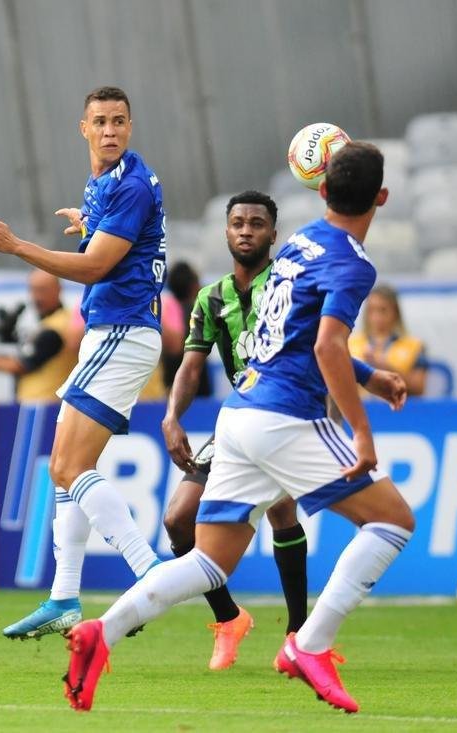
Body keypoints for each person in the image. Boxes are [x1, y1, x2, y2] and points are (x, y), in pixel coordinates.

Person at [62, 142, 415, 715]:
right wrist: (363, 431)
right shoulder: (353, 262)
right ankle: (310, 644)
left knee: (207, 562)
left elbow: (287, 336)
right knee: (392, 522)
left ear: (321, 190)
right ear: (382, 198)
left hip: (239, 415)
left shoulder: (298, 245)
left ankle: (103, 632)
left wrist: (369, 376)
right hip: (284, 417)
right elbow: (325, 343)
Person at [161, 190, 406, 671]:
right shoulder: (212, 299)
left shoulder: (291, 277)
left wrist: (354, 394)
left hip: (292, 413)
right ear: (226, 231)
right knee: (177, 519)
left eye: (256, 223)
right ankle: (229, 617)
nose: (246, 230)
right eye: (237, 223)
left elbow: (327, 344)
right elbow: (191, 367)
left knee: (281, 512)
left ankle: (297, 632)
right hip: (242, 414)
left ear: (274, 235)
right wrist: (172, 416)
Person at [0, 86, 168, 639]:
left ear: (131, 126)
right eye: (101, 122)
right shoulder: (106, 183)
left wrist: (17, 247)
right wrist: (89, 224)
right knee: (64, 471)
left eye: (120, 121)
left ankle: (150, 573)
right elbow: (113, 245)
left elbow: (93, 268)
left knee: (65, 467)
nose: (110, 130)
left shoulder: (129, 184)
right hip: (113, 332)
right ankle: (63, 597)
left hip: (122, 331)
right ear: (83, 128)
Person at [0, 269, 79, 402]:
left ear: (58, 289)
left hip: (43, 404)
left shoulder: (56, 327)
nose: (37, 297)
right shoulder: (51, 322)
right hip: (40, 403)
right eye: (33, 290)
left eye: (42, 290)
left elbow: (21, 365)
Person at [349, 283, 428, 396]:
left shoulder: (414, 345)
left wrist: (384, 367)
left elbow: (419, 388)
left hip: (397, 409)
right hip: (360, 408)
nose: (376, 317)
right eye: (371, 310)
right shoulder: (351, 343)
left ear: (395, 312)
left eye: (383, 310)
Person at [161, 260, 210, 396]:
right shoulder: (199, 311)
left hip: (171, 387)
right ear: (194, 286)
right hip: (198, 389)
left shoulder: (166, 308)